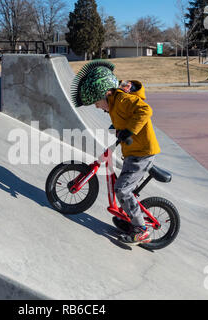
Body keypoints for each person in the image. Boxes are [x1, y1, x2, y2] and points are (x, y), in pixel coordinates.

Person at [72, 61, 161, 244]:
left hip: (142, 152)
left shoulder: (122, 100)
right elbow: (123, 118)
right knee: (123, 186)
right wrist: (119, 128)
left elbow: (145, 110)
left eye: (96, 103)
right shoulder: (114, 104)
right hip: (133, 151)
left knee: (122, 189)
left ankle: (141, 229)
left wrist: (129, 131)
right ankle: (127, 218)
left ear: (105, 94)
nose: (97, 107)